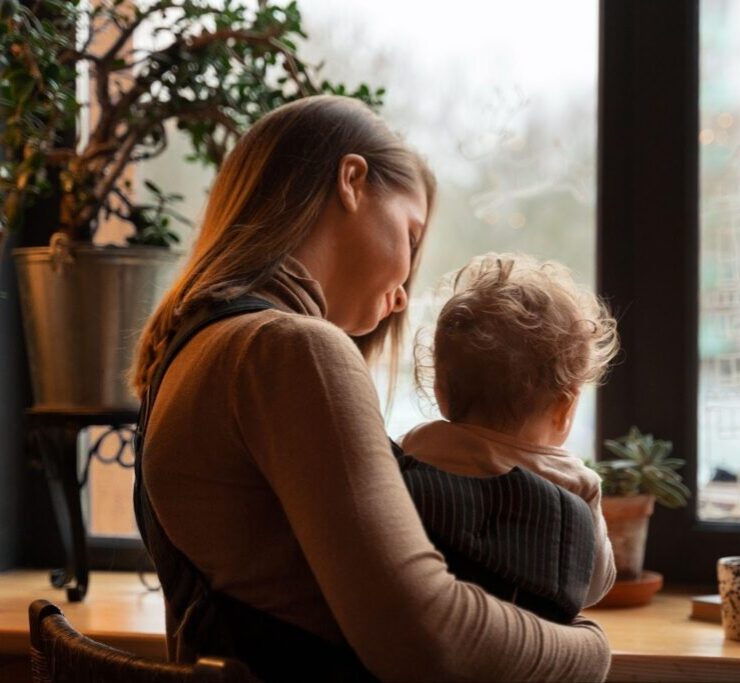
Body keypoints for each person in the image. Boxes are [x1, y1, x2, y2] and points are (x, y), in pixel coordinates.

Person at [130, 96, 611, 682]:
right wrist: (590, 650)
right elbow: (429, 637)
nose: (405, 291)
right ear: (352, 180)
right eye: (411, 235)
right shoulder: (288, 349)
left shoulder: (192, 347)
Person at [401, 253, 619, 611]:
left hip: (432, 631)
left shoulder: (416, 448)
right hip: (528, 650)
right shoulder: (573, 483)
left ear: (440, 392)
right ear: (564, 409)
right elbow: (592, 587)